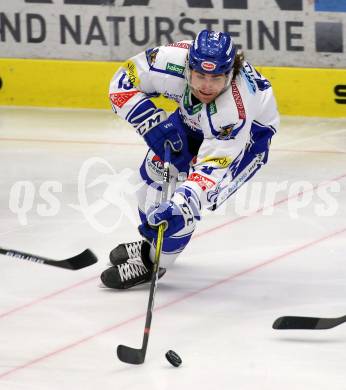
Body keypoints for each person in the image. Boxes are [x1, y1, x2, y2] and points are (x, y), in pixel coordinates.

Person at [101, 30, 279, 289]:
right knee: (152, 173)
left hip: (246, 140)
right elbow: (122, 83)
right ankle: (151, 243)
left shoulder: (235, 110)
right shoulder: (169, 60)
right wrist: (153, 124)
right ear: (188, 68)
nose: (207, 86)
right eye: (200, 76)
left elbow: (212, 171)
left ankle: (154, 263)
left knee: (181, 210)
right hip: (192, 119)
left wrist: (182, 201)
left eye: (217, 78)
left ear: (230, 74)